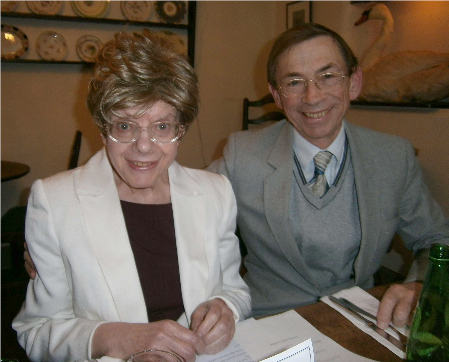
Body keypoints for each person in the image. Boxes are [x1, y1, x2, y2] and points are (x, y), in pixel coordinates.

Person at [13, 30, 251, 362]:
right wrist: (115, 338)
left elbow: (235, 291)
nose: (143, 146)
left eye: (162, 127)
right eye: (125, 126)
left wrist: (227, 309)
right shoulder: (55, 203)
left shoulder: (215, 193)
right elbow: (36, 330)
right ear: (102, 127)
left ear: (180, 129)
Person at [207, 23, 449, 328]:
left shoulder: (394, 157)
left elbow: (437, 240)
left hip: (360, 323)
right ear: (277, 96)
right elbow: (180, 205)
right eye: (294, 82)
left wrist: (419, 285)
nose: (312, 96)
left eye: (328, 76)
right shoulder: (242, 154)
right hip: (269, 324)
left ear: (354, 82)